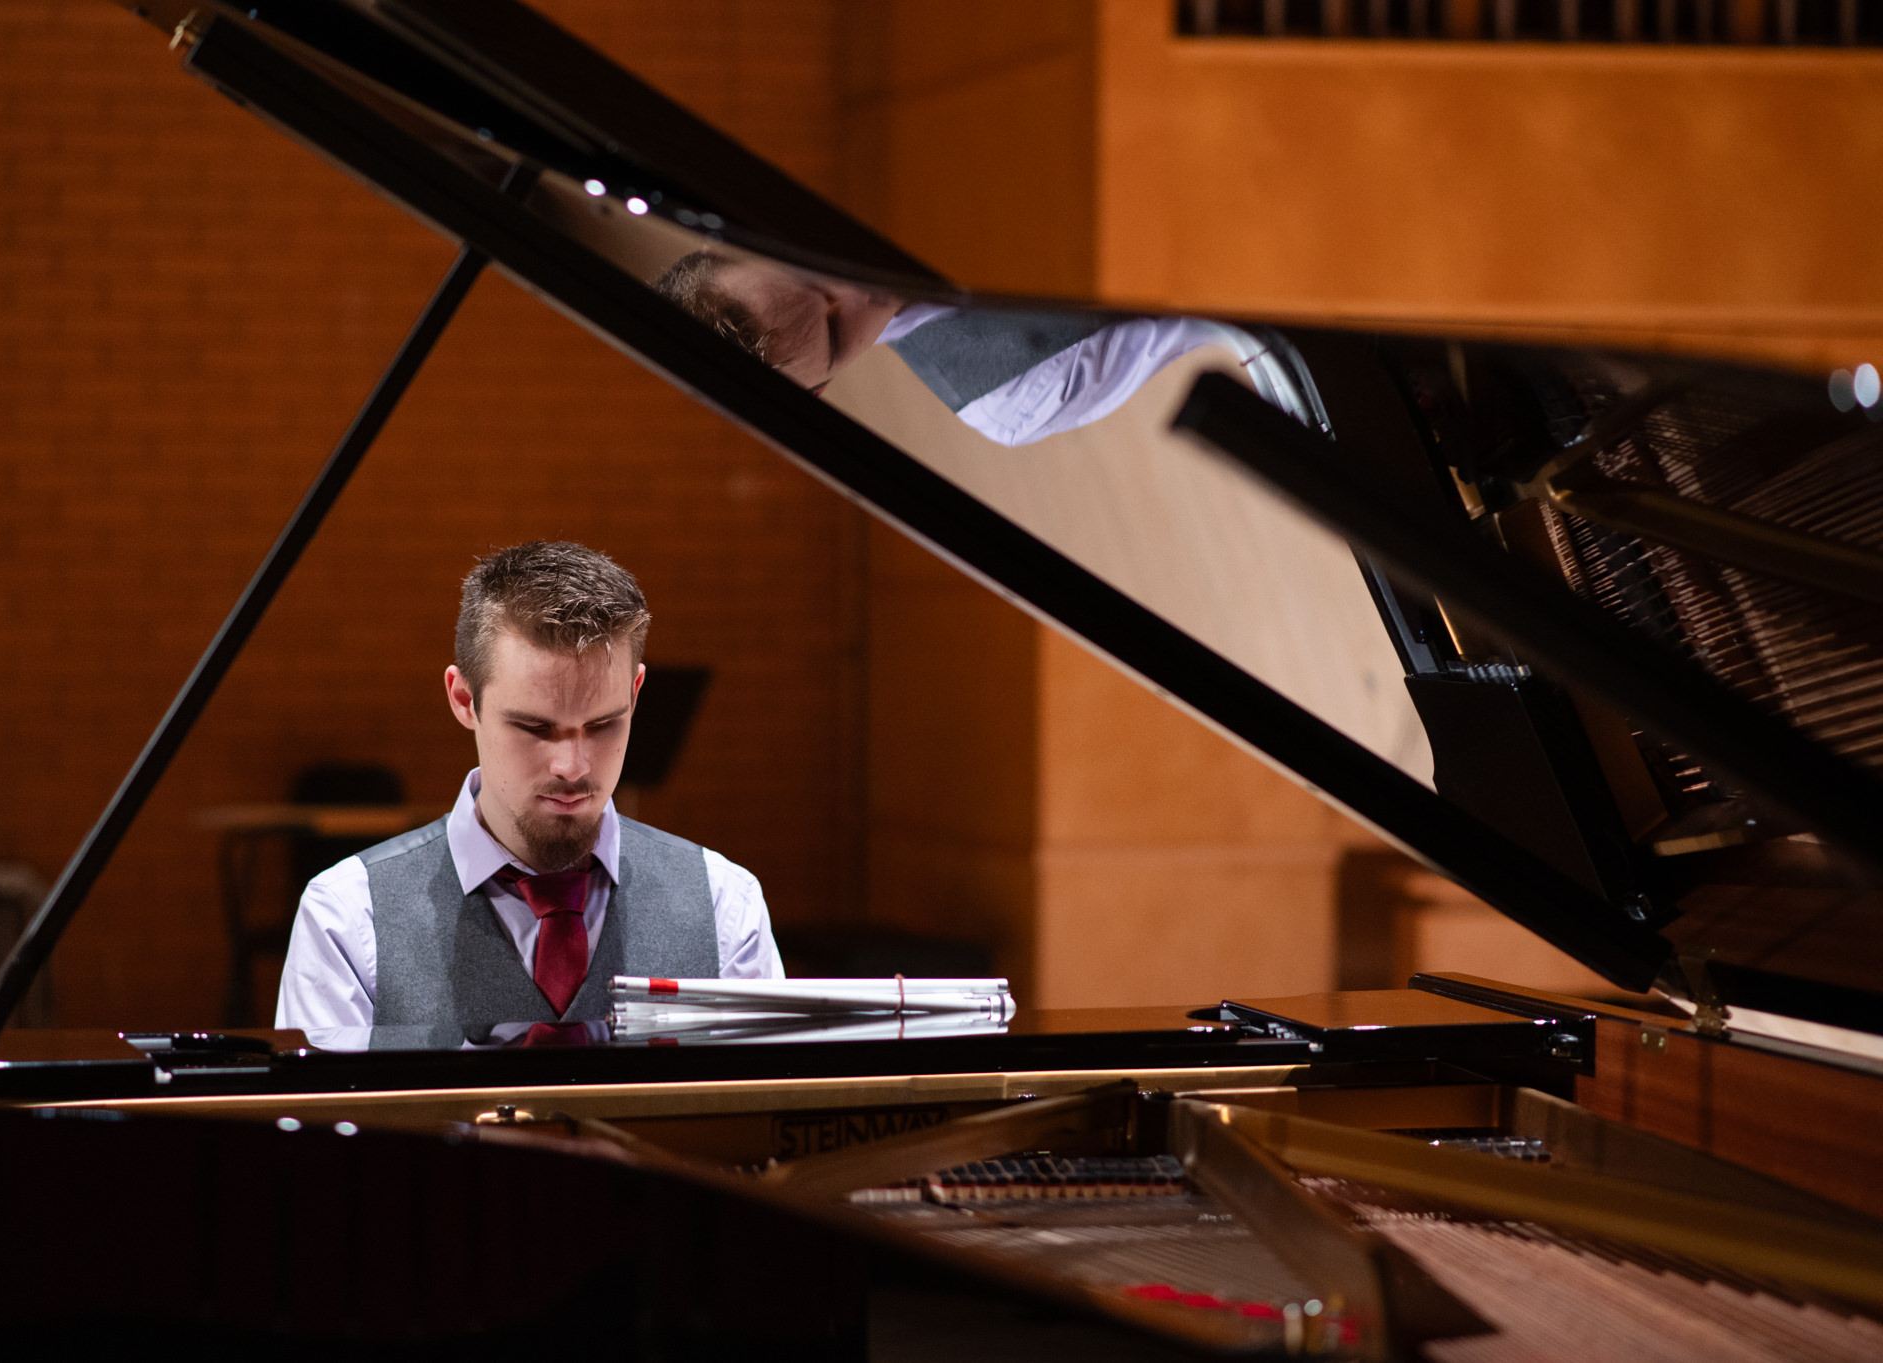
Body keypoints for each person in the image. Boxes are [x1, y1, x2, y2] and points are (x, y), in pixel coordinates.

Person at [276, 541, 781, 1038]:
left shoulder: (724, 905)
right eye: (535, 729)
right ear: (463, 698)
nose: (572, 766)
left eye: (604, 724)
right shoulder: (345, 916)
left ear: (635, 693)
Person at [655, 249, 1307, 447]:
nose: (855, 287)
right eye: (835, 331)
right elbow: (1223, 314)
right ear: (822, 391)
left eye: (812, 277)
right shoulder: (1008, 398)